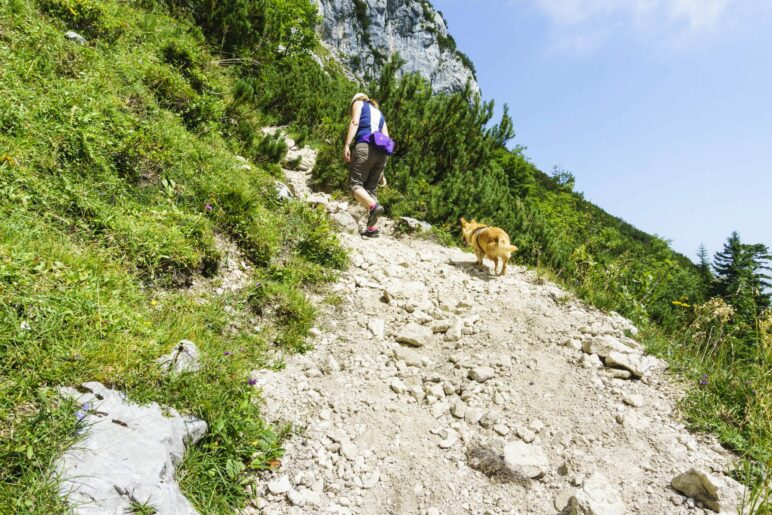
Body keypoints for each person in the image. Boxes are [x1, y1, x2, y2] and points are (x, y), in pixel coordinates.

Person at [343, 93, 390, 238]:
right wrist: (382, 170)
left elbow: (355, 122)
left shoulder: (359, 103)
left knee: (355, 185)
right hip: (382, 154)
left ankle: (374, 207)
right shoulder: (380, 114)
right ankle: (372, 228)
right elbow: (386, 139)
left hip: (364, 146)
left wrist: (347, 144)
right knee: (371, 190)